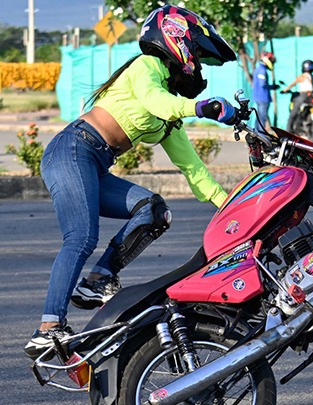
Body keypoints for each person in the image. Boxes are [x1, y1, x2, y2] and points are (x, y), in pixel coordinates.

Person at [24, 5, 238, 358]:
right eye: (197, 52)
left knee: (153, 210)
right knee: (81, 237)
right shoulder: (146, 68)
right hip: (73, 149)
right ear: (177, 39)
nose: (197, 63)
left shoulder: (168, 119)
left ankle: (97, 281)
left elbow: (195, 172)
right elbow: (158, 101)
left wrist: (231, 207)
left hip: (94, 163)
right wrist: (201, 108)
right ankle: (48, 328)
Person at [281, 59, 313, 133]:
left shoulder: (302, 76)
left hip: (304, 96)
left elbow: (292, 84)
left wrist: (285, 90)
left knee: (292, 114)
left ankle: (288, 131)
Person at [251, 52, 279, 133]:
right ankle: (260, 136)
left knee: (259, 118)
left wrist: (272, 86)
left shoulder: (258, 69)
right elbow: (262, 84)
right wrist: (271, 87)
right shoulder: (262, 71)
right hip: (263, 98)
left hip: (259, 97)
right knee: (261, 118)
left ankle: (256, 135)